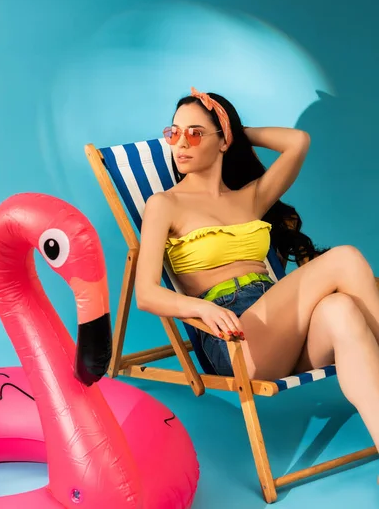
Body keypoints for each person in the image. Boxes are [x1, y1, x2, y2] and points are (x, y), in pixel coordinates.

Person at [135, 87, 379, 452]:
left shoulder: (249, 197)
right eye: (174, 132)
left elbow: (298, 141)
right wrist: (201, 308)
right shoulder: (164, 204)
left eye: (195, 132)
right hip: (236, 338)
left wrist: (234, 128)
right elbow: (146, 293)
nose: (180, 142)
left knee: (341, 310)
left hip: (279, 327)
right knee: (345, 258)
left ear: (223, 142)